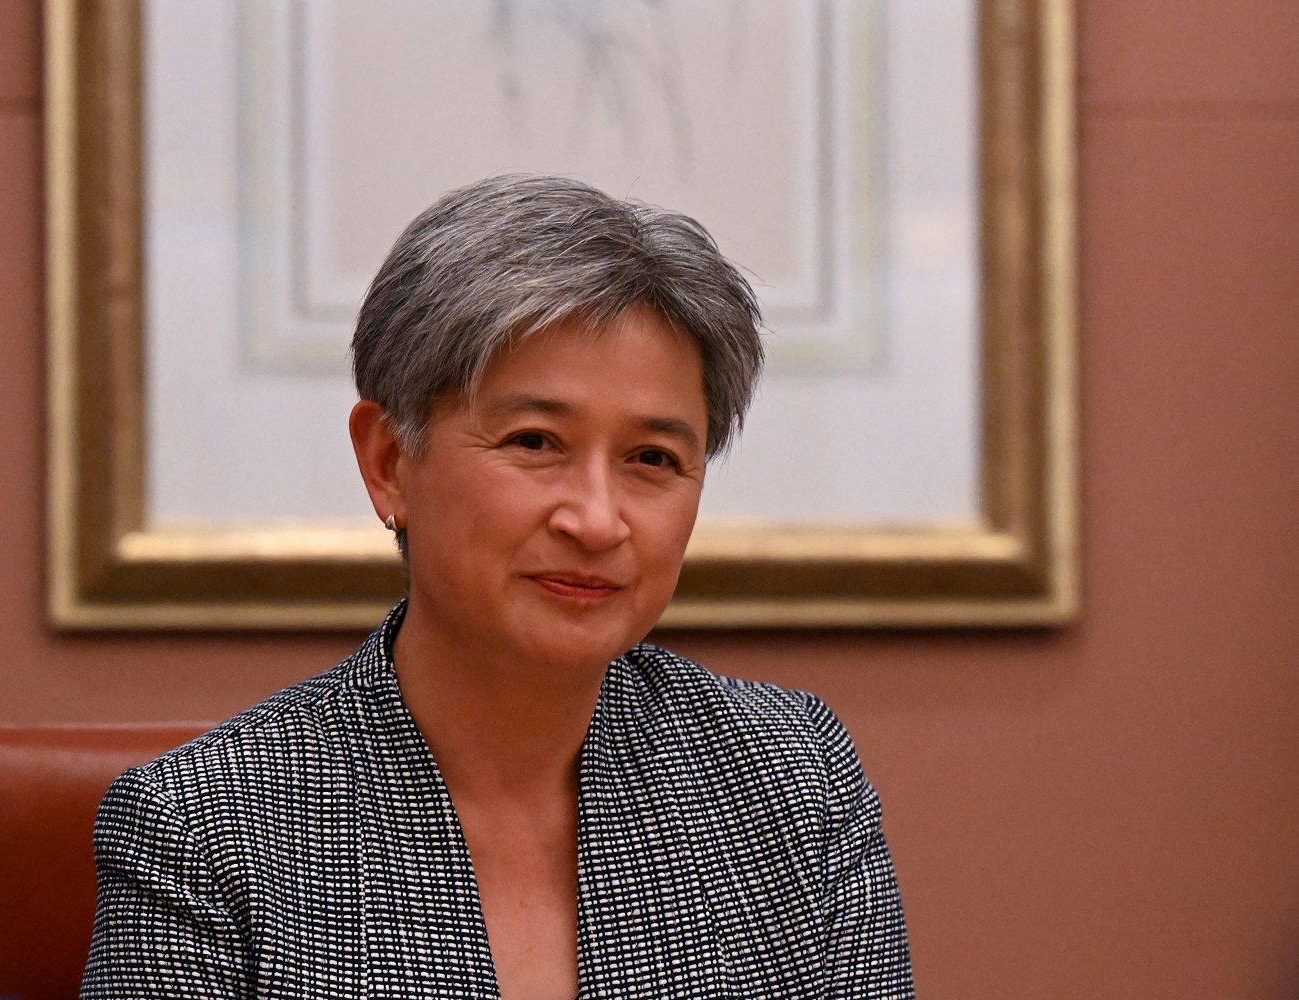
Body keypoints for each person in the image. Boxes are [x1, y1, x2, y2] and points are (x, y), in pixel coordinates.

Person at [81, 174, 913, 999]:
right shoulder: (204, 832)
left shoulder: (790, 777)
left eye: (652, 459)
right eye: (535, 442)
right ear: (389, 462)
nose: (597, 521)